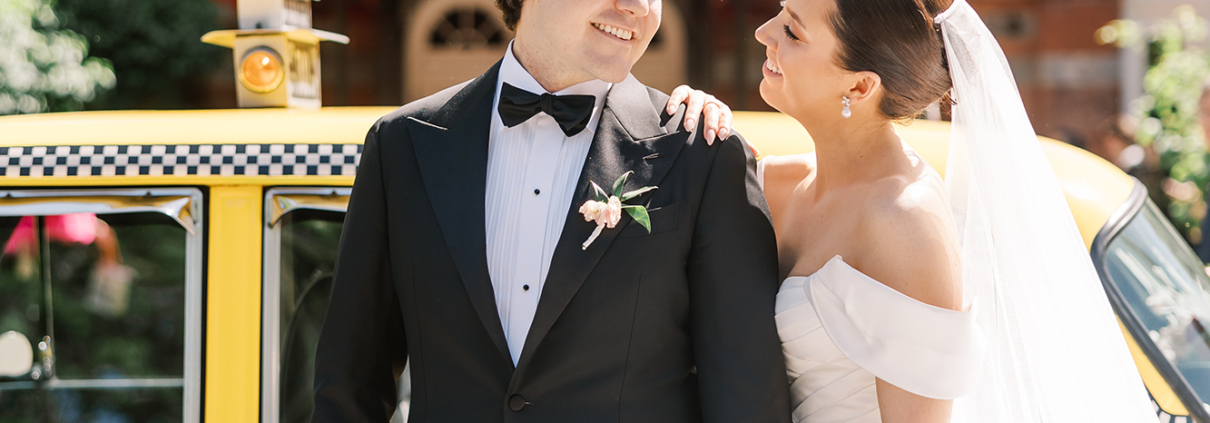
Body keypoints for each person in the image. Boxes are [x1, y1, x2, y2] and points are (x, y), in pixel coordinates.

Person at [310, 0, 793, 421]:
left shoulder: (700, 153)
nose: (638, 7)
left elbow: (745, 397)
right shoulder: (402, 145)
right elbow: (349, 387)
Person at [753, 0, 1156, 421]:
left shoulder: (903, 217)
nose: (764, 32)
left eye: (792, 32)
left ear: (859, 88)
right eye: (780, 14)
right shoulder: (776, 182)